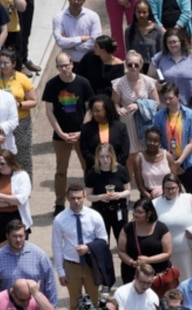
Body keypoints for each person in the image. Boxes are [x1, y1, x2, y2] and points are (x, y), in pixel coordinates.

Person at [51, 183, 108, 310]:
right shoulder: (60, 219)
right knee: (75, 303)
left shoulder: (94, 216)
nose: (76, 201)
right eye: (73, 198)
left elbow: (103, 240)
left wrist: (88, 248)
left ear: (84, 196)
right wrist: (60, 271)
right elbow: (57, 246)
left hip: (91, 265)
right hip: (72, 265)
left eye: (79, 197)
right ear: (67, 198)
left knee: (95, 301)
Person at [42, 52, 96, 215]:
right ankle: (59, 203)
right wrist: (60, 132)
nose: (64, 68)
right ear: (57, 67)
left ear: (72, 64)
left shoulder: (83, 82)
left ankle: (92, 199)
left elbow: (90, 108)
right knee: (60, 170)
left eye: (67, 65)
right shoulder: (52, 84)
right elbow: (49, 112)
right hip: (61, 136)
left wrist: (82, 131)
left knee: (88, 167)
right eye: (61, 66)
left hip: (82, 134)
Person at [117, 198, 172, 285]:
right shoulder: (127, 228)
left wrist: (148, 260)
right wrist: (132, 263)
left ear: (149, 213)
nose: (135, 214)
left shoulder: (161, 228)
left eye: (140, 212)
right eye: (134, 211)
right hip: (133, 273)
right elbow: (121, 251)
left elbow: (167, 253)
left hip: (157, 273)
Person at [85, 142, 131, 244]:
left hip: (119, 209)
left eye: (108, 156)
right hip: (100, 211)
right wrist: (100, 197)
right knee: (103, 242)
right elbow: (88, 196)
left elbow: (128, 191)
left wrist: (119, 195)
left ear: (112, 156)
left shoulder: (121, 170)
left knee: (123, 241)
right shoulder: (93, 173)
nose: (105, 160)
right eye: (102, 157)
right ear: (97, 157)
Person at [53, 0, 102, 71]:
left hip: (90, 62)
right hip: (69, 65)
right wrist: (81, 38)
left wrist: (71, 45)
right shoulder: (58, 18)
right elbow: (60, 42)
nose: (76, 2)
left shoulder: (93, 16)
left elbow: (95, 42)